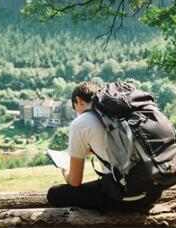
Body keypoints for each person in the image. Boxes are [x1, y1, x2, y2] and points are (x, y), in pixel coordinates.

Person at [47, 82, 162, 211]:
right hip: (154, 191)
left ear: (78, 101)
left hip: (124, 197)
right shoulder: (118, 112)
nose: (77, 114)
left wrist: (65, 168)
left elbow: (75, 181)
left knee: (55, 194)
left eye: (75, 109)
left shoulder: (79, 123)